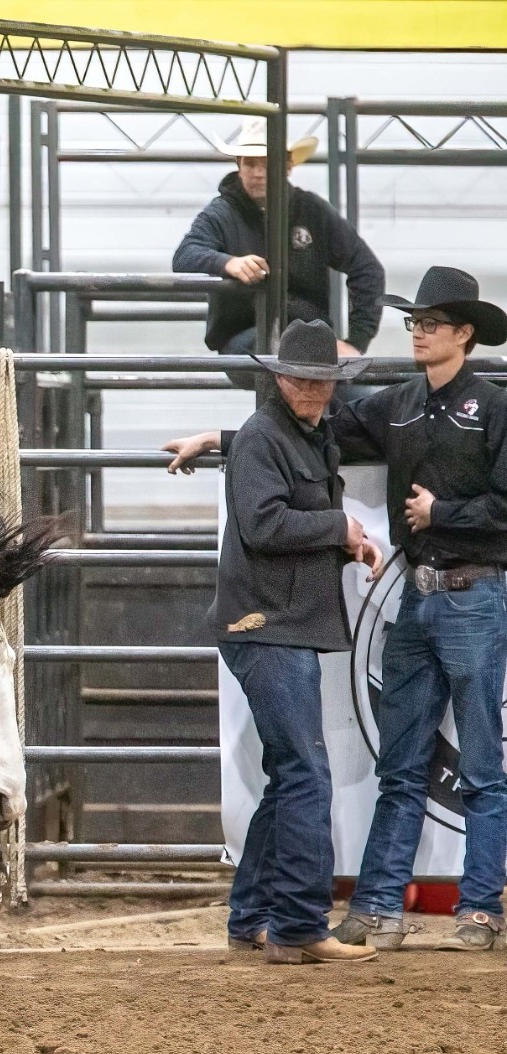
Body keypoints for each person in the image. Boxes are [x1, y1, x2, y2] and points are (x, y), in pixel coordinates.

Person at [165, 266, 507, 952]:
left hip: (464, 592)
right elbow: (298, 437)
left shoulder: (489, 408)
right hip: (420, 596)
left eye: (431, 323)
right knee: (396, 765)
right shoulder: (395, 405)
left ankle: (469, 907)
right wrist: (224, 440)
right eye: (414, 322)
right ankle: (367, 909)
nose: (418, 333)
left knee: (455, 766)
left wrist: (443, 513)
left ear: (464, 334)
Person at [206, 319, 381, 964]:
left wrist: (345, 537)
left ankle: (253, 917)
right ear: (280, 379)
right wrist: (340, 528)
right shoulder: (266, 438)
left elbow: (272, 523)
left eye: (322, 381)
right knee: (306, 773)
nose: (313, 391)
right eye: (303, 380)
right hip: (270, 627)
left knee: (290, 775)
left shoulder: (293, 435)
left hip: (275, 624)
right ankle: (300, 925)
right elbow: (263, 525)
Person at [173, 119, 384, 373]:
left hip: (307, 343)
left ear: (288, 166)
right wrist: (227, 263)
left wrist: (356, 343)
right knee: (293, 356)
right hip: (247, 341)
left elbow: (367, 269)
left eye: (268, 163)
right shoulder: (222, 213)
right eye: (250, 163)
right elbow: (185, 255)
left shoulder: (311, 210)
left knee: (343, 381)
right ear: (239, 166)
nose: (258, 172)